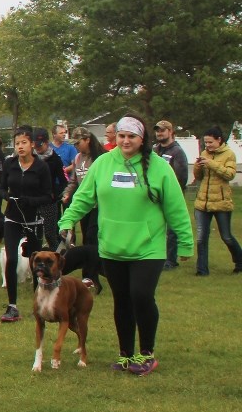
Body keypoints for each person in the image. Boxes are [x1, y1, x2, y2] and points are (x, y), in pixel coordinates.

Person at [59, 115, 193, 376]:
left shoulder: (158, 167)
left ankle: (147, 353)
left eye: (131, 136)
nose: (125, 140)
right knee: (121, 300)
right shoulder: (104, 164)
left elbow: (175, 207)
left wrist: (185, 242)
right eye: (121, 136)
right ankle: (126, 354)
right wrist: (68, 219)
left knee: (141, 296)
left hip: (148, 246)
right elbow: (85, 197)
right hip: (112, 245)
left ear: (142, 139)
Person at [0, 126, 53, 322]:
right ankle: (12, 305)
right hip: (12, 217)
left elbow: (48, 196)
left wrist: (29, 200)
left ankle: (39, 303)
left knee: (35, 263)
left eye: (23, 143)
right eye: (17, 143)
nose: (20, 147)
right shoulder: (10, 164)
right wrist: (6, 195)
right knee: (11, 259)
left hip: (34, 220)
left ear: (31, 145)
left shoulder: (41, 167)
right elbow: (1, 187)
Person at [193, 125, 242, 276]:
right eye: (206, 143)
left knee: (226, 236)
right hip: (203, 202)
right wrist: (198, 165)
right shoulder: (204, 153)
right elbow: (199, 177)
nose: (207, 145)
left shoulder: (229, 154)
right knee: (201, 237)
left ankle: (239, 261)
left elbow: (230, 175)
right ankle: (202, 270)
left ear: (219, 140)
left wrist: (211, 164)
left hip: (221, 202)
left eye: (210, 142)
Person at [153, 120, 189, 269]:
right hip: (155, 194)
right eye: (157, 130)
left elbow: (181, 176)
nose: (159, 133)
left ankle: (171, 260)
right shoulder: (155, 150)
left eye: (162, 130)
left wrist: (173, 193)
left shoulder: (177, 152)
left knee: (172, 228)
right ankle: (159, 255)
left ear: (170, 131)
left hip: (171, 194)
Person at [62, 126, 105, 246]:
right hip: (84, 203)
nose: (76, 147)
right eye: (74, 144)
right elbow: (74, 180)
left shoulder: (100, 157)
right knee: (86, 235)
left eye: (78, 143)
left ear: (87, 140)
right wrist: (67, 192)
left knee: (93, 235)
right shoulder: (77, 158)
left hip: (98, 204)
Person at [32, 128, 68, 249]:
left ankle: (58, 259)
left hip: (49, 202)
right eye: (35, 145)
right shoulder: (30, 158)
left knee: (50, 234)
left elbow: (63, 180)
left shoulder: (55, 159)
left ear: (47, 142)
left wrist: (55, 194)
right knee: (34, 234)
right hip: (32, 200)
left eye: (40, 145)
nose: (37, 148)